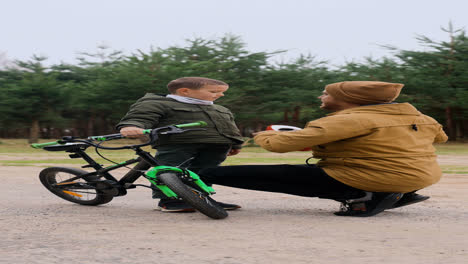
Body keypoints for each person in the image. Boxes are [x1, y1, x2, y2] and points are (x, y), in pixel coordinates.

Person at [199, 81, 448, 217]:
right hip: (421, 175)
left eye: (325, 94)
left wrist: (264, 134)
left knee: (257, 174)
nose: (321, 98)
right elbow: (441, 138)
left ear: (348, 99)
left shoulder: (349, 119)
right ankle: (397, 193)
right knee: (298, 174)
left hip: (364, 176)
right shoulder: (422, 117)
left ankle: (364, 196)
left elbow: (278, 144)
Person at [116, 77, 244, 212]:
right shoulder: (158, 103)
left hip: (217, 145)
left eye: (222, 92)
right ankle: (168, 200)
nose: (220, 95)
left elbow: (230, 128)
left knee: (205, 171)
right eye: (214, 91)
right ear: (184, 91)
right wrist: (131, 126)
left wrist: (236, 144)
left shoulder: (219, 108)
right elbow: (141, 116)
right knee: (170, 170)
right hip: (178, 143)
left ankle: (202, 198)